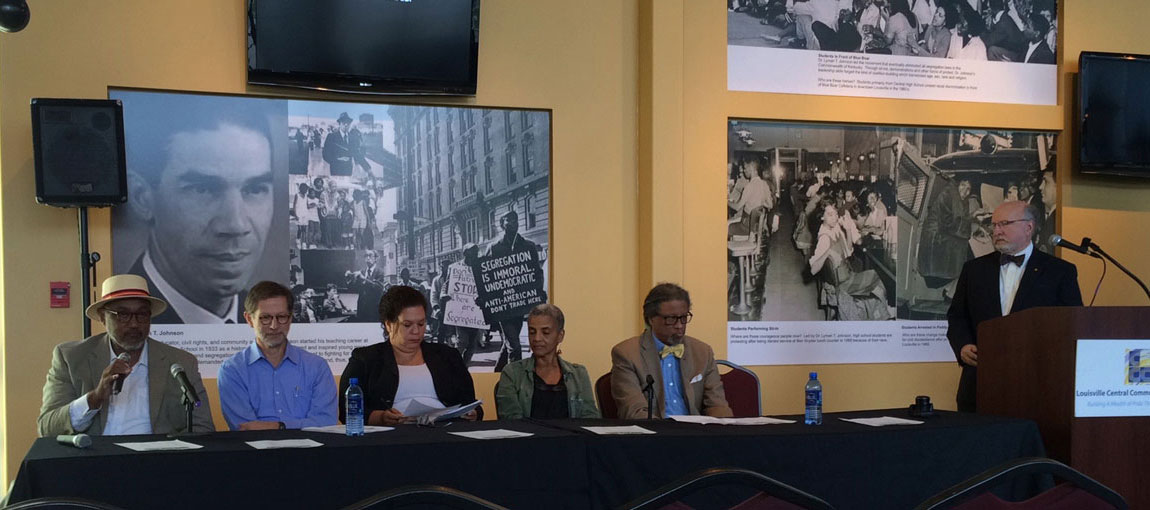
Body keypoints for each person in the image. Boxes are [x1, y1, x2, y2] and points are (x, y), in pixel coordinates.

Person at [122, 97, 275, 324]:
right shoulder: (124, 326)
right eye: (203, 189)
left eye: (254, 189)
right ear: (141, 198)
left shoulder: (264, 319)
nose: (235, 225)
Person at [947, 201, 1082, 412]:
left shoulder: (1059, 271)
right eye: (994, 225)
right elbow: (957, 316)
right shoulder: (974, 269)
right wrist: (963, 345)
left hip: (1037, 384)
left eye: (1005, 224)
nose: (996, 231)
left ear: (1028, 227)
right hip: (980, 383)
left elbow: (1072, 322)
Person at [38, 275, 215, 436]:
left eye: (142, 314)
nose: (134, 324)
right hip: (95, 457)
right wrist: (95, 398)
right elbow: (47, 428)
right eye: (123, 315)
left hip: (157, 458)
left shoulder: (181, 362)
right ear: (102, 317)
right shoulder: (71, 357)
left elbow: (203, 427)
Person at [339, 285, 480, 426]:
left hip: (445, 432)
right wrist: (381, 417)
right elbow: (347, 412)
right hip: (392, 435)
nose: (416, 331)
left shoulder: (448, 356)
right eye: (407, 325)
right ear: (389, 325)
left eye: (421, 324)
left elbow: (471, 404)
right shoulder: (365, 359)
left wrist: (473, 413)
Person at [217, 281, 338, 430]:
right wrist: (297, 426)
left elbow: (325, 422)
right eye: (265, 318)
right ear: (249, 319)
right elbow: (246, 429)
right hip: (255, 446)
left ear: (290, 318)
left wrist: (279, 426)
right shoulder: (232, 370)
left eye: (281, 317)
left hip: (310, 446)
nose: (274, 326)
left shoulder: (316, 366)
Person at [610, 283, 732, 419]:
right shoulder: (626, 354)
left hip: (696, 429)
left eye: (683, 318)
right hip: (654, 429)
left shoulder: (703, 352)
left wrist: (725, 425)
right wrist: (665, 430)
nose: (679, 325)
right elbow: (634, 411)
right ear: (651, 319)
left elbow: (717, 404)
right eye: (671, 319)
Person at [495, 304, 600, 419]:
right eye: (532, 332)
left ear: (560, 336)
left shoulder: (579, 374)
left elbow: (590, 418)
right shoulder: (512, 373)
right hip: (528, 432)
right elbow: (512, 420)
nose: (537, 338)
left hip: (571, 431)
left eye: (545, 332)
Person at [809, 201, 892, 320]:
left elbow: (847, 251)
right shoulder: (824, 238)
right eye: (830, 215)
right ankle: (882, 314)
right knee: (878, 277)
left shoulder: (834, 228)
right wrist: (828, 252)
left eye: (836, 214)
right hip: (843, 284)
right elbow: (813, 269)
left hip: (845, 275)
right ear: (822, 216)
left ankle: (880, 311)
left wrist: (848, 229)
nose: (835, 218)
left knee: (875, 276)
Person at [487, 210, 545, 371]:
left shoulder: (528, 246)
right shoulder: (494, 248)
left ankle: (497, 373)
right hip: (502, 306)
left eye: (516, 220)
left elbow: (537, 273)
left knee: (509, 344)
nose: (513, 223)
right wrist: (484, 298)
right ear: (502, 224)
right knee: (514, 346)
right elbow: (485, 276)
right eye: (509, 220)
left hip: (520, 304)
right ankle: (516, 379)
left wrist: (538, 292)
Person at [322, 112, 369, 177]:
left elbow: (357, 154)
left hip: (348, 170)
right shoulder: (332, 137)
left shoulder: (352, 138)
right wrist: (338, 159)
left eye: (348, 123)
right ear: (339, 124)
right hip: (336, 170)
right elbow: (325, 154)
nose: (346, 125)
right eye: (343, 123)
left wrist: (368, 169)